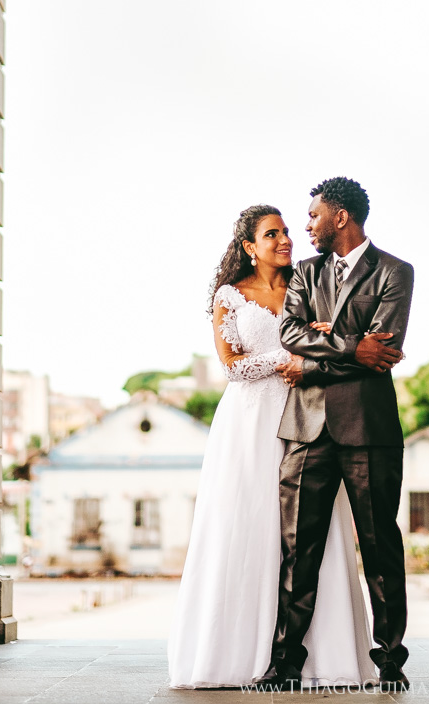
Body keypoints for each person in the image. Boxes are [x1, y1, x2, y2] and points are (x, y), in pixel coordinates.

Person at [167, 203, 376, 690]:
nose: (286, 240)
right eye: (272, 234)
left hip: (309, 413)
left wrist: (322, 347)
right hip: (250, 422)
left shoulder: (311, 284)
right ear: (249, 247)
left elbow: (335, 339)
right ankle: (238, 654)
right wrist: (294, 351)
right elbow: (233, 367)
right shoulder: (230, 296)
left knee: (313, 529)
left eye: (287, 232)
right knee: (249, 524)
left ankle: (324, 654)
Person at [258, 177, 414, 693]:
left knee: (379, 545)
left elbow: (383, 352)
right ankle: (286, 663)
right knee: (295, 549)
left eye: (313, 217)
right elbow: (291, 334)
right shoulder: (303, 273)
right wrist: (352, 348)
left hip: (369, 429)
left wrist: (315, 361)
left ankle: (390, 660)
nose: (306, 228)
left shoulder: (395, 272)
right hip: (305, 430)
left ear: (340, 216)